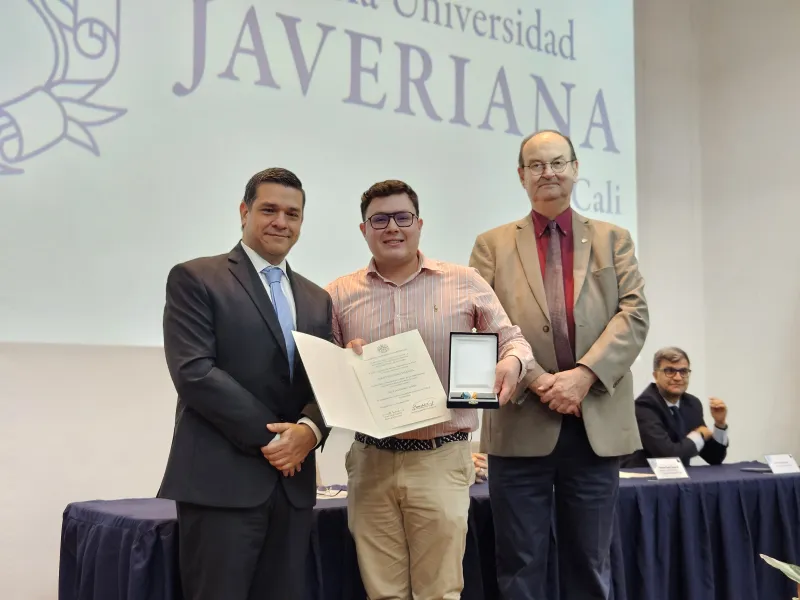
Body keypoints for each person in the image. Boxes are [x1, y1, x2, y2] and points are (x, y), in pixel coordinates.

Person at [325, 179, 534, 600]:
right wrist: (341, 357)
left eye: (402, 217)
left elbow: (513, 340)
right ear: (363, 229)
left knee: (439, 593)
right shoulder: (337, 294)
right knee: (382, 593)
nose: (392, 228)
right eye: (378, 219)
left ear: (419, 224)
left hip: (441, 458)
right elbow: (324, 369)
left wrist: (511, 361)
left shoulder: (464, 281)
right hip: (370, 462)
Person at [469, 130, 649, 600]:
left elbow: (634, 314)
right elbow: (482, 322)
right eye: (536, 165)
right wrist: (541, 379)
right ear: (521, 175)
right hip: (520, 421)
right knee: (519, 565)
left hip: (596, 424)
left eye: (557, 163)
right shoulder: (491, 245)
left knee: (590, 563)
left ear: (574, 167)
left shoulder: (614, 240)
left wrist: (584, 376)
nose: (547, 173)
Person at [157, 167, 333, 600]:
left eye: (292, 214)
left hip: (292, 489)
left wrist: (308, 433)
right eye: (268, 209)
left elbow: (326, 382)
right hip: (221, 485)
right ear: (244, 212)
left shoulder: (317, 298)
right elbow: (195, 373)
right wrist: (278, 442)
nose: (280, 222)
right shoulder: (196, 278)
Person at [622, 346, 729, 468]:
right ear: (656, 375)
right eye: (669, 371)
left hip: (679, 483)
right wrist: (699, 436)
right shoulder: (644, 406)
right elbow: (667, 456)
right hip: (644, 482)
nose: (678, 377)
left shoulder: (692, 404)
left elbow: (714, 458)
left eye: (683, 372)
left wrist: (720, 424)